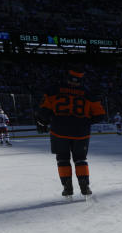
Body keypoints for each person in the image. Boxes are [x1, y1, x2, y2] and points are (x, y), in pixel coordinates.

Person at [36, 69, 106, 197]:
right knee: (80, 159)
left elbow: (44, 111)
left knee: (62, 159)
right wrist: (85, 121)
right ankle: (85, 186)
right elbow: (100, 115)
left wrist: (43, 122)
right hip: (81, 132)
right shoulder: (88, 93)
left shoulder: (53, 90)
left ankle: (67, 188)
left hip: (59, 131)